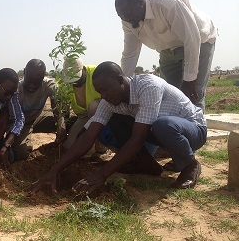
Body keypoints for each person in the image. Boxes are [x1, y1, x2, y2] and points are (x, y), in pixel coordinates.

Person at [30, 62, 206, 195]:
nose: (103, 96)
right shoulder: (109, 101)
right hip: (159, 132)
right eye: (100, 92)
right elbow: (88, 137)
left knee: (163, 125)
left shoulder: (148, 86)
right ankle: (146, 165)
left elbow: (138, 139)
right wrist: (53, 171)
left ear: (120, 80)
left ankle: (190, 165)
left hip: (192, 129)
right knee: (114, 121)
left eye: (106, 90)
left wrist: (101, 175)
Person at [115, 0, 217, 110]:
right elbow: (130, 54)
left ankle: (197, 127)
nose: (127, 19)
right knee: (167, 97)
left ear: (141, 3)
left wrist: (189, 79)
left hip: (199, 42)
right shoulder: (127, 20)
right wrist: (124, 84)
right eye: (121, 16)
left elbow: (192, 38)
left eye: (129, 14)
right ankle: (176, 128)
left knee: (193, 95)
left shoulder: (165, 3)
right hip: (167, 50)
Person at [7, 59, 66, 161]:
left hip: (37, 119)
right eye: (29, 81)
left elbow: (58, 110)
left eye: (37, 82)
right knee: (21, 153)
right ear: (24, 72)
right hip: (21, 124)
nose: (32, 86)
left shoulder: (48, 85)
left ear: (43, 77)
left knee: (71, 123)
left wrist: (61, 125)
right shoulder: (17, 89)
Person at [61, 57, 105, 157]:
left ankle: (101, 148)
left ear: (83, 69)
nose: (74, 83)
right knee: (69, 147)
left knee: (94, 107)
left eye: (77, 79)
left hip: (102, 113)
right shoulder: (64, 84)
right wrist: (62, 126)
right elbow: (63, 110)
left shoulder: (96, 73)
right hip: (84, 116)